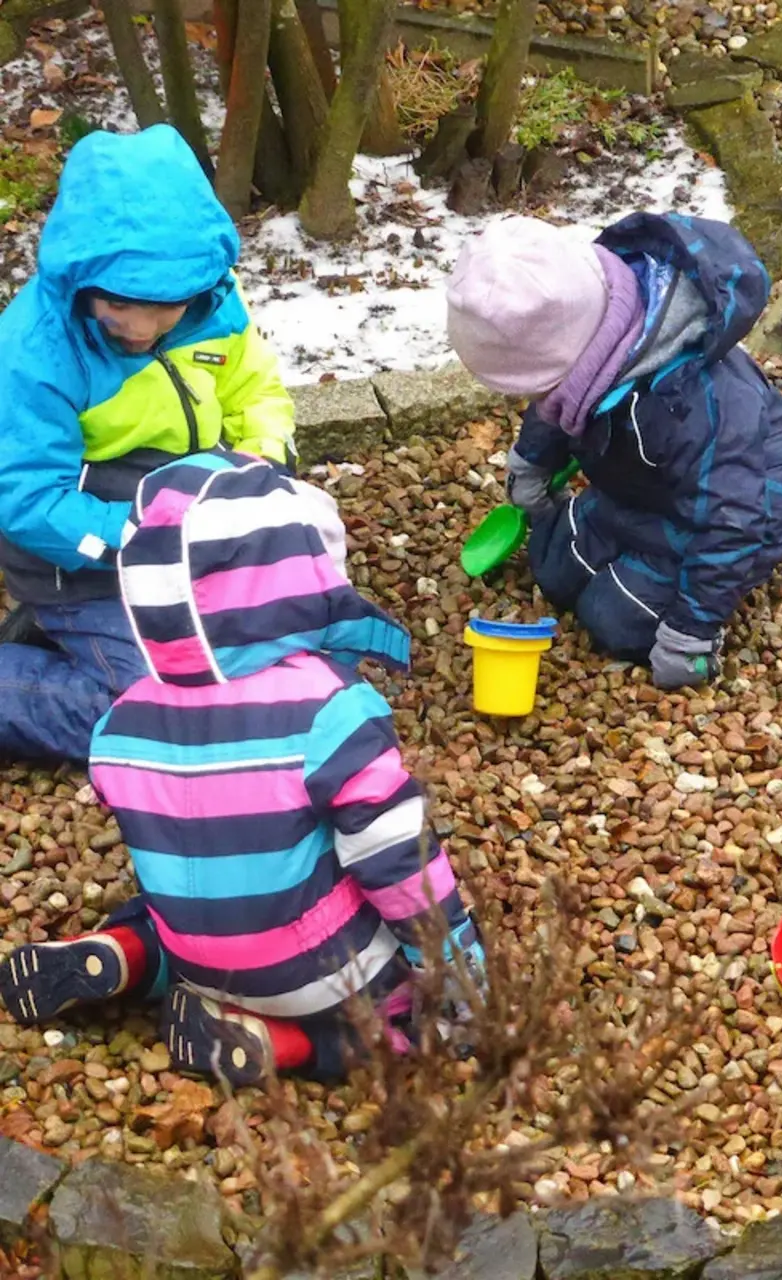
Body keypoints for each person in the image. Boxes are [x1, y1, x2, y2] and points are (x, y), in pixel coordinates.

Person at [0, 453, 483, 1085]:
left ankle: (125, 952)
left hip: (198, 956)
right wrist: (457, 969)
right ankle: (283, 1045)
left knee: (189, 898)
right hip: (313, 972)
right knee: (419, 1021)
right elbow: (394, 859)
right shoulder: (332, 710)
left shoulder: (121, 721)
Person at [0, 124, 296, 763]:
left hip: (193, 537)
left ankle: (65, 643)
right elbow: (27, 501)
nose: (140, 328)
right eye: (119, 305)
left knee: (287, 660)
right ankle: (40, 656)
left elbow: (257, 391)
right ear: (82, 279)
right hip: (84, 567)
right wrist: (143, 538)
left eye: (166, 308)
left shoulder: (214, 303)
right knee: (156, 716)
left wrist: (266, 461)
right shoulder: (35, 353)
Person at [446, 213, 782, 690]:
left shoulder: (698, 404)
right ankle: (631, 550)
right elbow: (554, 406)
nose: (538, 401)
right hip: (639, 488)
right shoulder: (591, 337)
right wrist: (532, 462)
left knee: (612, 620)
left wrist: (689, 633)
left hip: (736, 512)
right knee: (553, 567)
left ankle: (690, 604)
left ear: (578, 363)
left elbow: (732, 522)